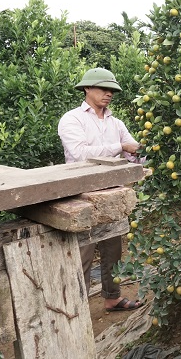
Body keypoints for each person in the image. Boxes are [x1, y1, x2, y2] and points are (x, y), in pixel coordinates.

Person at [58, 67, 143, 312]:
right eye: (103, 89)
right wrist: (121, 146)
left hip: (111, 193)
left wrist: (144, 153)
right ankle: (77, 307)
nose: (108, 94)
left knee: (112, 248)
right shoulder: (72, 119)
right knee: (82, 250)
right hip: (81, 193)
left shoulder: (116, 123)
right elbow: (81, 153)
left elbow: (133, 153)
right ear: (86, 88)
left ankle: (112, 297)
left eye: (112, 90)